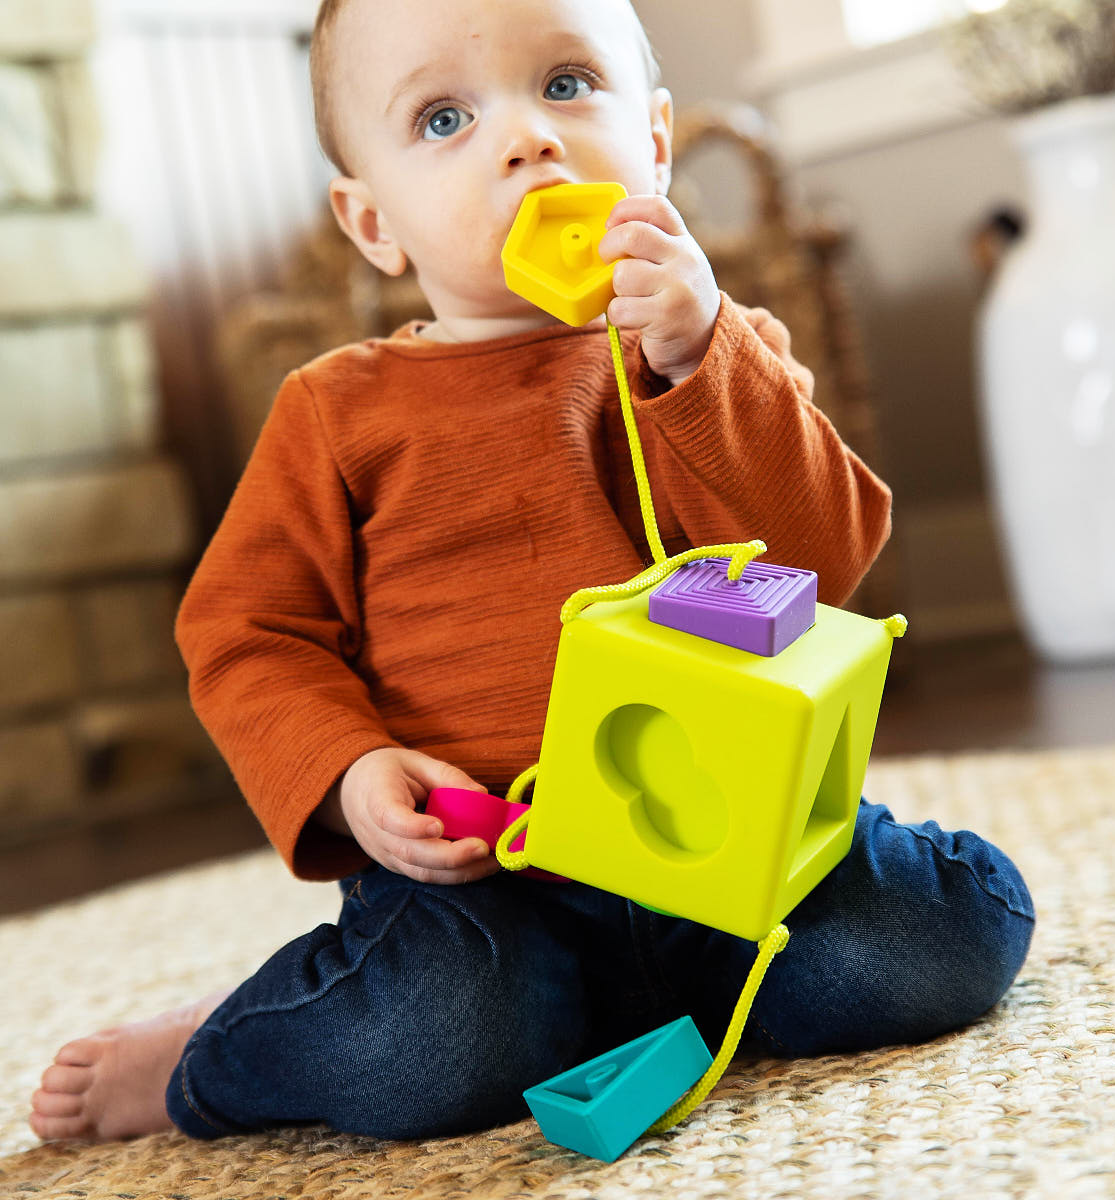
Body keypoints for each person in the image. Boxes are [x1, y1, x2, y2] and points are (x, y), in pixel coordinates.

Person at [29, 0, 1035, 1143]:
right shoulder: (335, 411)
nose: (529, 139)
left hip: (727, 851)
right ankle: (210, 1055)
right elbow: (247, 632)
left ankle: (635, 1010)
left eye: (566, 84)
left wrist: (704, 354)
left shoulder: (712, 350)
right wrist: (349, 768)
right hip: (484, 888)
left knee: (942, 940)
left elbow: (828, 557)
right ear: (373, 225)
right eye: (446, 117)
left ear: (654, 142)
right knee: (437, 1041)